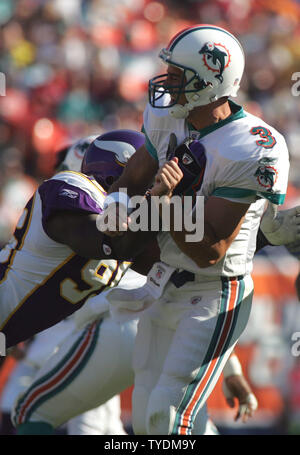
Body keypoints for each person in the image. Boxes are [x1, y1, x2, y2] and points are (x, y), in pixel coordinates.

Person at [103, 24, 292, 435]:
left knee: (168, 416)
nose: (166, 84)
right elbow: (134, 177)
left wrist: (165, 204)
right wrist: (114, 208)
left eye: (177, 76)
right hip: (164, 282)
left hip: (214, 291)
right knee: (148, 418)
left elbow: (210, 250)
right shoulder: (167, 117)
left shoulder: (254, 146)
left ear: (210, 82)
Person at [11, 136, 258, 436]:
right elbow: (126, 249)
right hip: (153, 324)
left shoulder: (110, 217)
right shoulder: (92, 201)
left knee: (36, 412)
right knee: (163, 423)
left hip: (115, 324)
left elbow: (171, 257)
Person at [0, 129, 149, 348]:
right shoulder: (74, 187)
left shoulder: (127, 219)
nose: (151, 184)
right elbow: (104, 241)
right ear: (119, 167)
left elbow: (151, 258)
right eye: (148, 174)